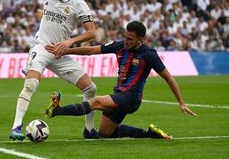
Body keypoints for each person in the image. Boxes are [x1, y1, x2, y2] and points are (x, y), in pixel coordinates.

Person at [45, 21, 197, 139]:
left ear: (140, 39)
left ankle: (58, 111)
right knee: (105, 134)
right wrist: (66, 51)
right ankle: (149, 134)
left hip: (130, 98)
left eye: (130, 39)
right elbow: (91, 50)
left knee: (96, 102)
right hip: (119, 94)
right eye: (125, 36)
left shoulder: (149, 55)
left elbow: (168, 77)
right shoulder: (119, 46)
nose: (126, 41)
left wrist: (181, 103)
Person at [9, 0, 98, 140]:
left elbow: (91, 32)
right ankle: (16, 128)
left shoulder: (78, 4)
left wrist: (69, 42)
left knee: (90, 88)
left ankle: (89, 130)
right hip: (41, 48)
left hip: (61, 52)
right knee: (31, 84)